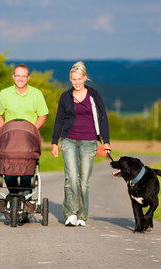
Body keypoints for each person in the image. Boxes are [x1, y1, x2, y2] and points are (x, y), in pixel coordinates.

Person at [51, 61, 111, 227]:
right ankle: (70, 213)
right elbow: (59, 120)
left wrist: (106, 142)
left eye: (79, 79)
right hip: (68, 140)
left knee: (83, 181)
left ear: (85, 78)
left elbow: (103, 118)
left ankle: (82, 215)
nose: (76, 82)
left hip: (89, 142)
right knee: (71, 178)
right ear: (70, 79)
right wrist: (55, 142)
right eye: (73, 79)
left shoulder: (94, 95)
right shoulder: (66, 96)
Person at [0, 64, 49, 195]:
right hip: (9, 140)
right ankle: (15, 198)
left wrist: (33, 130)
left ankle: (23, 201)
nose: (20, 79)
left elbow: (43, 115)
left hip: (28, 140)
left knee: (26, 173)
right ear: (13, 77)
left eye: (23, 76)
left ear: (28, 78)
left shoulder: (36, 94)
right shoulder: (5, 93)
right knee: (9, 173)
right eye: (18, 76)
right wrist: (5, 129)